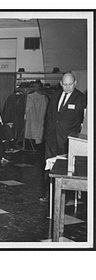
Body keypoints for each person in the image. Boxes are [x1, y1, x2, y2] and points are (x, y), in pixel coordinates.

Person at [41, 72, 86, 202]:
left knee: (64, 169)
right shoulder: (55, 95)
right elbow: (49, 114)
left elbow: (82, 120)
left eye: (70, 84)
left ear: (75, 83)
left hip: (67, 140)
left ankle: (63, 197)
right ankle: (48, 193)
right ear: (61, 83)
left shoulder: (81, 98)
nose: (67, 87)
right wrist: (49, 129)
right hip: (51, 137)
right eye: (65, 84)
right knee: (48, 165)